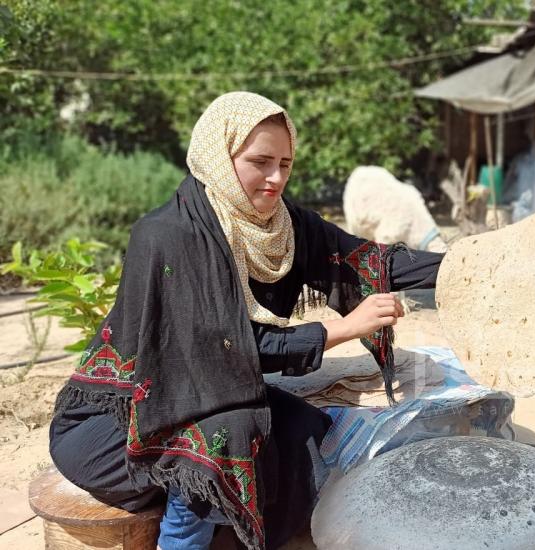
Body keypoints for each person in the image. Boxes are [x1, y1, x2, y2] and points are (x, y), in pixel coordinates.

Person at [48, 92, 442, 550]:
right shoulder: (168, 236)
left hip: (201, 397)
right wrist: (344, 328)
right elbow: (226, 351)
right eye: (260, 162)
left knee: (301, 430)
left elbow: (370, 260)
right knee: (224, 436)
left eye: (285, 164)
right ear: (220, 157)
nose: (276, 178)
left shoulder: (282, 227)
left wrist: (478, 258)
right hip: (112, 431)